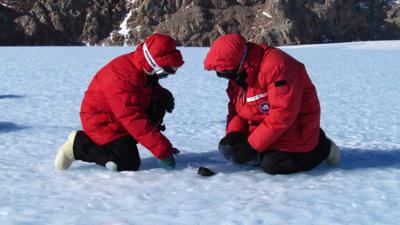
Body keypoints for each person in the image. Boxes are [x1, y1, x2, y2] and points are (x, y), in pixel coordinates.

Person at [204, 34, 340, 175]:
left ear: (239, 62)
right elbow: (236, 109)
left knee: (273, 164)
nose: (226, 77)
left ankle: (322, 147)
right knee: (229, 149)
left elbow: (283, 113)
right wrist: (235, 133)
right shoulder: (239, 74)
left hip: (297, 126)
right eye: (220, 74)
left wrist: (252, 146)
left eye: (226, 72)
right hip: (267, 127)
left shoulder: (278, 66)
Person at [55, 33, 184, 171]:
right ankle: (78, 147)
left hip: (117, 117)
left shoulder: (141, 67)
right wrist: (163, 151)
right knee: (128, 163)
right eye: (166, 71)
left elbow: (145, 87)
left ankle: (128, 143)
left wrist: (163, 95)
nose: (167, 75)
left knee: (158, 104)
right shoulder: (122, 80)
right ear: (153, 64)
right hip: (101, 123)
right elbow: (134, 120)